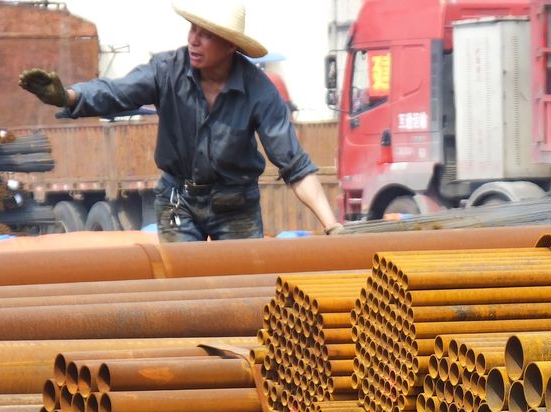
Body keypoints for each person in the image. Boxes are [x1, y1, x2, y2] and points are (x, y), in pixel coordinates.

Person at [18, 0, 344, 241]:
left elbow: (296, 167)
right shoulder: (167, 71)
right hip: (177, 201)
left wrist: (332, 225)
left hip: (235, 205)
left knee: (241, 290)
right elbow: (116, 92)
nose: (194, 40)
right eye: (193, 30)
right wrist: (68, 97)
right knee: (183, 284)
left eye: (207, 35)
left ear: (231, 45)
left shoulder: (259, 91)